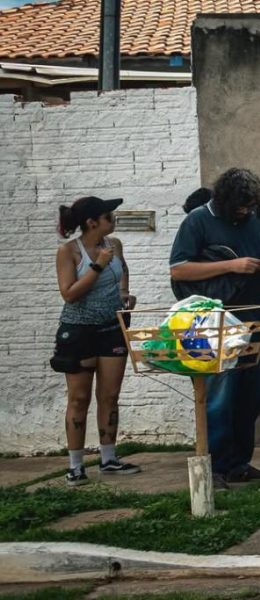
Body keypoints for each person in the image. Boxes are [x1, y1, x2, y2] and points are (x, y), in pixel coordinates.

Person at [170, 168, 260, 487]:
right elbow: (179, 270)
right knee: (220, 395)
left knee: (254, 393)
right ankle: (214, 467)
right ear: (224, 201)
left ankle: (239, 463)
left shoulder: (257, 219)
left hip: (256, 317)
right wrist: (231, 265)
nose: (245, 212)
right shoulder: (197, 221)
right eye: (240, 207)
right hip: (215, 322)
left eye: (250, 206)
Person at [52, 196, 140, 486]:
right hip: (79, 331)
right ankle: (76, 466)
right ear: (92, 223)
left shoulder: (114, 245)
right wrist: (98, 266)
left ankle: (109, 458)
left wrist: (124, 293)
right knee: (79, 398)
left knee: (110, 395)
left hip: (111, 327)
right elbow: (69, 294)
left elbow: (123, 269)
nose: (113, 220)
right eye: (108, 216)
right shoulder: (69, 252)